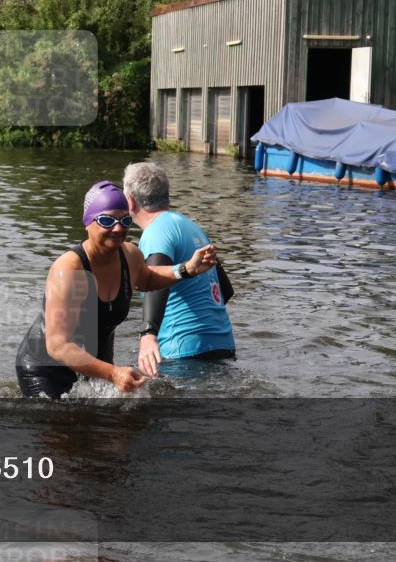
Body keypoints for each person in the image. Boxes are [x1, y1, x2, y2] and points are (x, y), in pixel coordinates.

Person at [14, 181, 218, 399]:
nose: (118, 228)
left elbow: (147, 278)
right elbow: (58, 346)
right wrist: (113, 373)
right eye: (107, 220)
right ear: (87, 222)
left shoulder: (129, 255)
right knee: (64, 428)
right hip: (46, 368)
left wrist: (186, 269)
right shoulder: (69, 269)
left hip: (95, 359)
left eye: (125, 220)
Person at [122, 162, 236, 377]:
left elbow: (154, 278)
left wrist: (148, 333)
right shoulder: (191, 226)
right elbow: (225, 292)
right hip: (222, 343)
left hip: (183, 350)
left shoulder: (156, 231)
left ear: (130, 200)